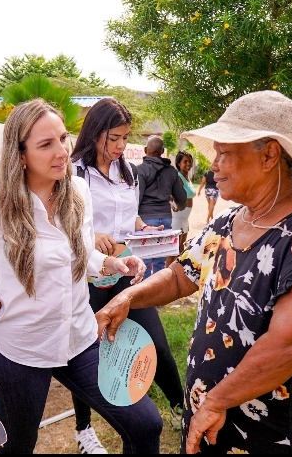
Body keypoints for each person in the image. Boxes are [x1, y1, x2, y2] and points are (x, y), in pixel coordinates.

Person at [95, 91, 292, 454]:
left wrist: (217, 401)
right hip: (209, 421)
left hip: (272, 436)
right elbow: (180, 276)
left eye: (226, 153)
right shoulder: (227, 223)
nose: (214, 165)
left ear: (269, 155)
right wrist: (128, 296)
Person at [0, 99, 163, 454]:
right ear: (20, 155)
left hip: (79, 338)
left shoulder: (78, 191)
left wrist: (109, 264)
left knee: (145, 425)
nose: (61, 152)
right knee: (19, 446)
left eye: (62, 139)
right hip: (19, 349)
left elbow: (78, 255)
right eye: (45, 144)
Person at [69, 98, 184, 453]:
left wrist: (143, 227)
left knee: (157, 344)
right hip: (88, 275)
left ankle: (184, 409)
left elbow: (126, 217)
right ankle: (83, 429)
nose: (120, 146)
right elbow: (64, 225)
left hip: (125, 269)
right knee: (89, 352)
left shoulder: (128, 171)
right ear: (95, 133)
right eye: (114, 138)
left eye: (124, 138)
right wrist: (90, 237)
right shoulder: (74, 172)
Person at [137, 135, 187, 278]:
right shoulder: (171, 171)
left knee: (144, 261)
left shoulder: (141, 170)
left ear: (146, 150)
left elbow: (137, 198)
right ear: (163, 151)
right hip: (165, 220)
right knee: (160, 261)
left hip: (146, 221)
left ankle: (145, 296)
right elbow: (182, 197)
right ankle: (156, 296)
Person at [167, 150, 195, 267]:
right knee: (173, 250)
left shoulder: (187, 177)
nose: (188, 164)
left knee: (180, 248)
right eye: (185, 161)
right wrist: (171, 204)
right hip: (178, 217)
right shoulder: (177, 177)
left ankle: (173, 274)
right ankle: (166, 272)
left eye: (190, 161)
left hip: (184, 218)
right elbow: (167, 193)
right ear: (179, 163)